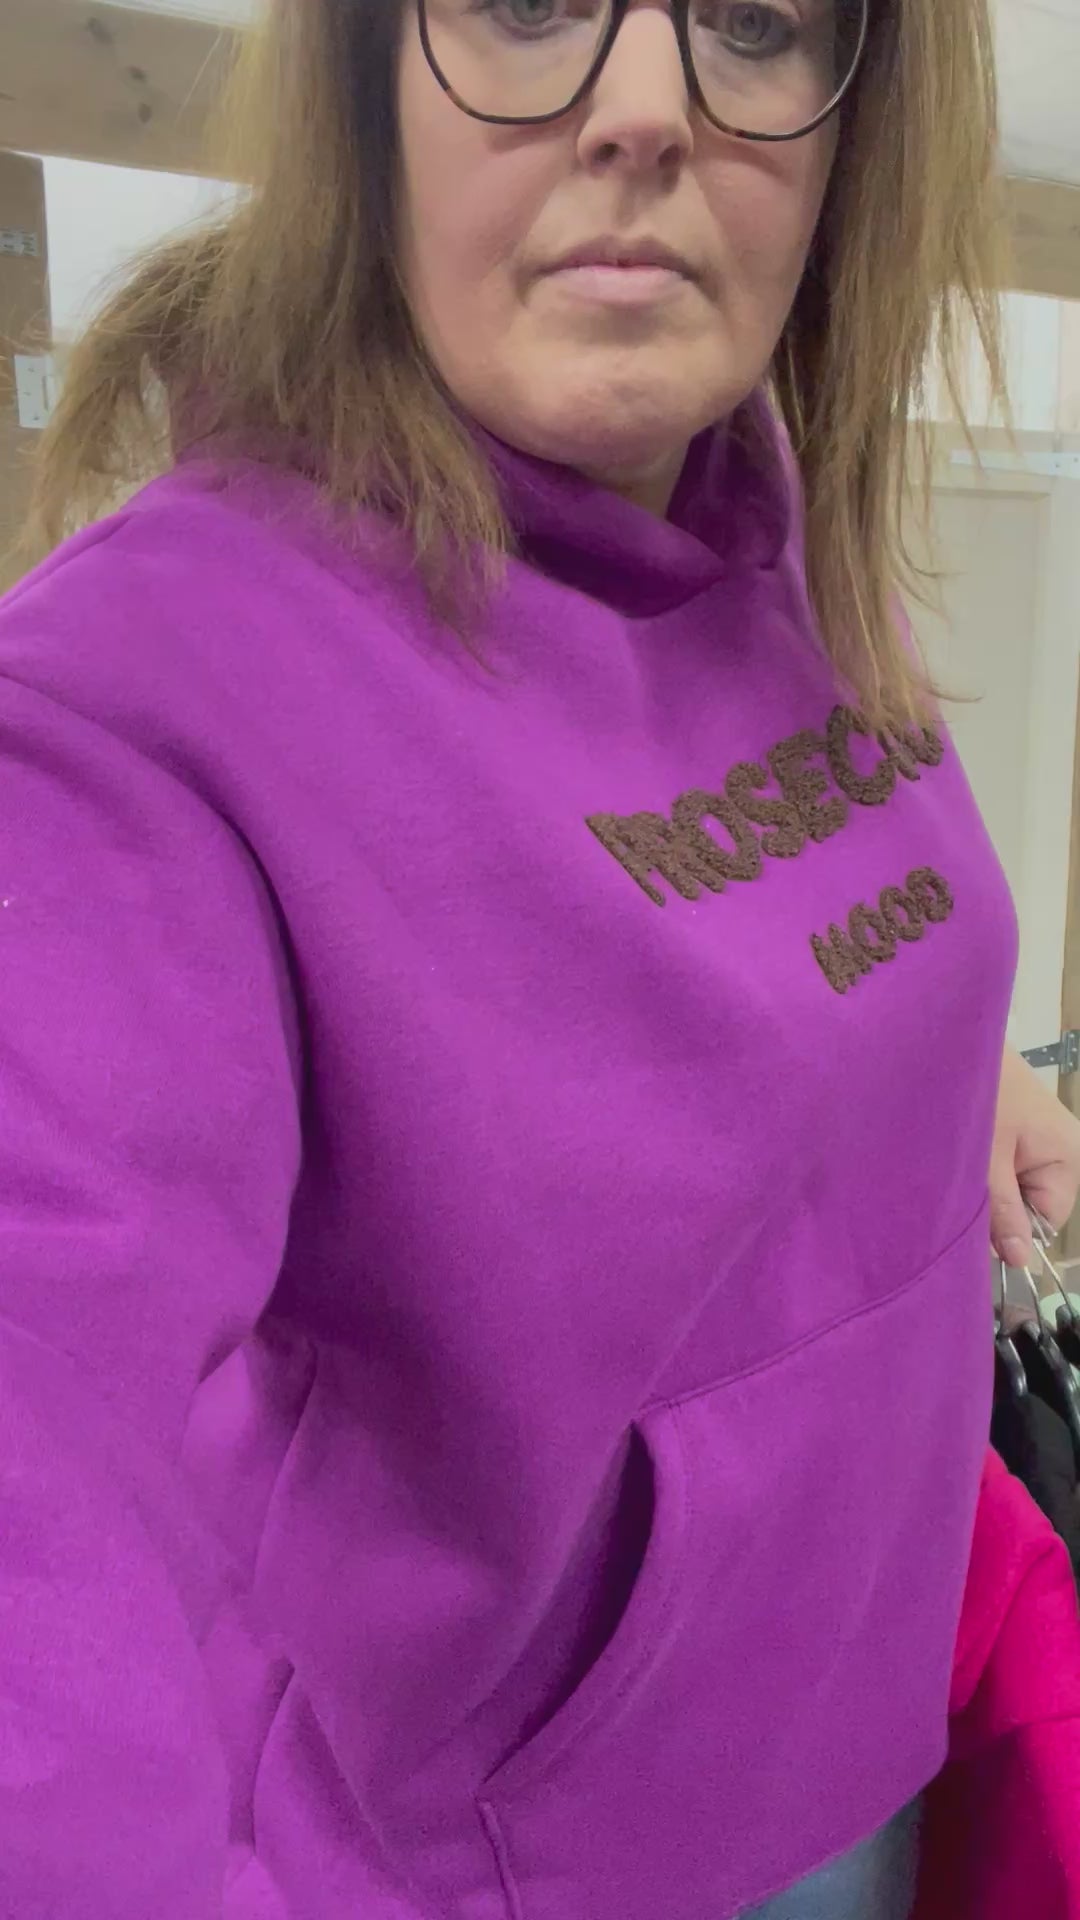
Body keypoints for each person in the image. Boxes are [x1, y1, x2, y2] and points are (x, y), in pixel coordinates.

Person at [2, 0, 1079, 1915]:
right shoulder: (123, 716)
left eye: (755, 20)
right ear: (366, 78)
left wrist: (934, 1059)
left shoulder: (760, 493)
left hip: (875, 1724)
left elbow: (747, 890)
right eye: (524, 3)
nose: (647, 108)